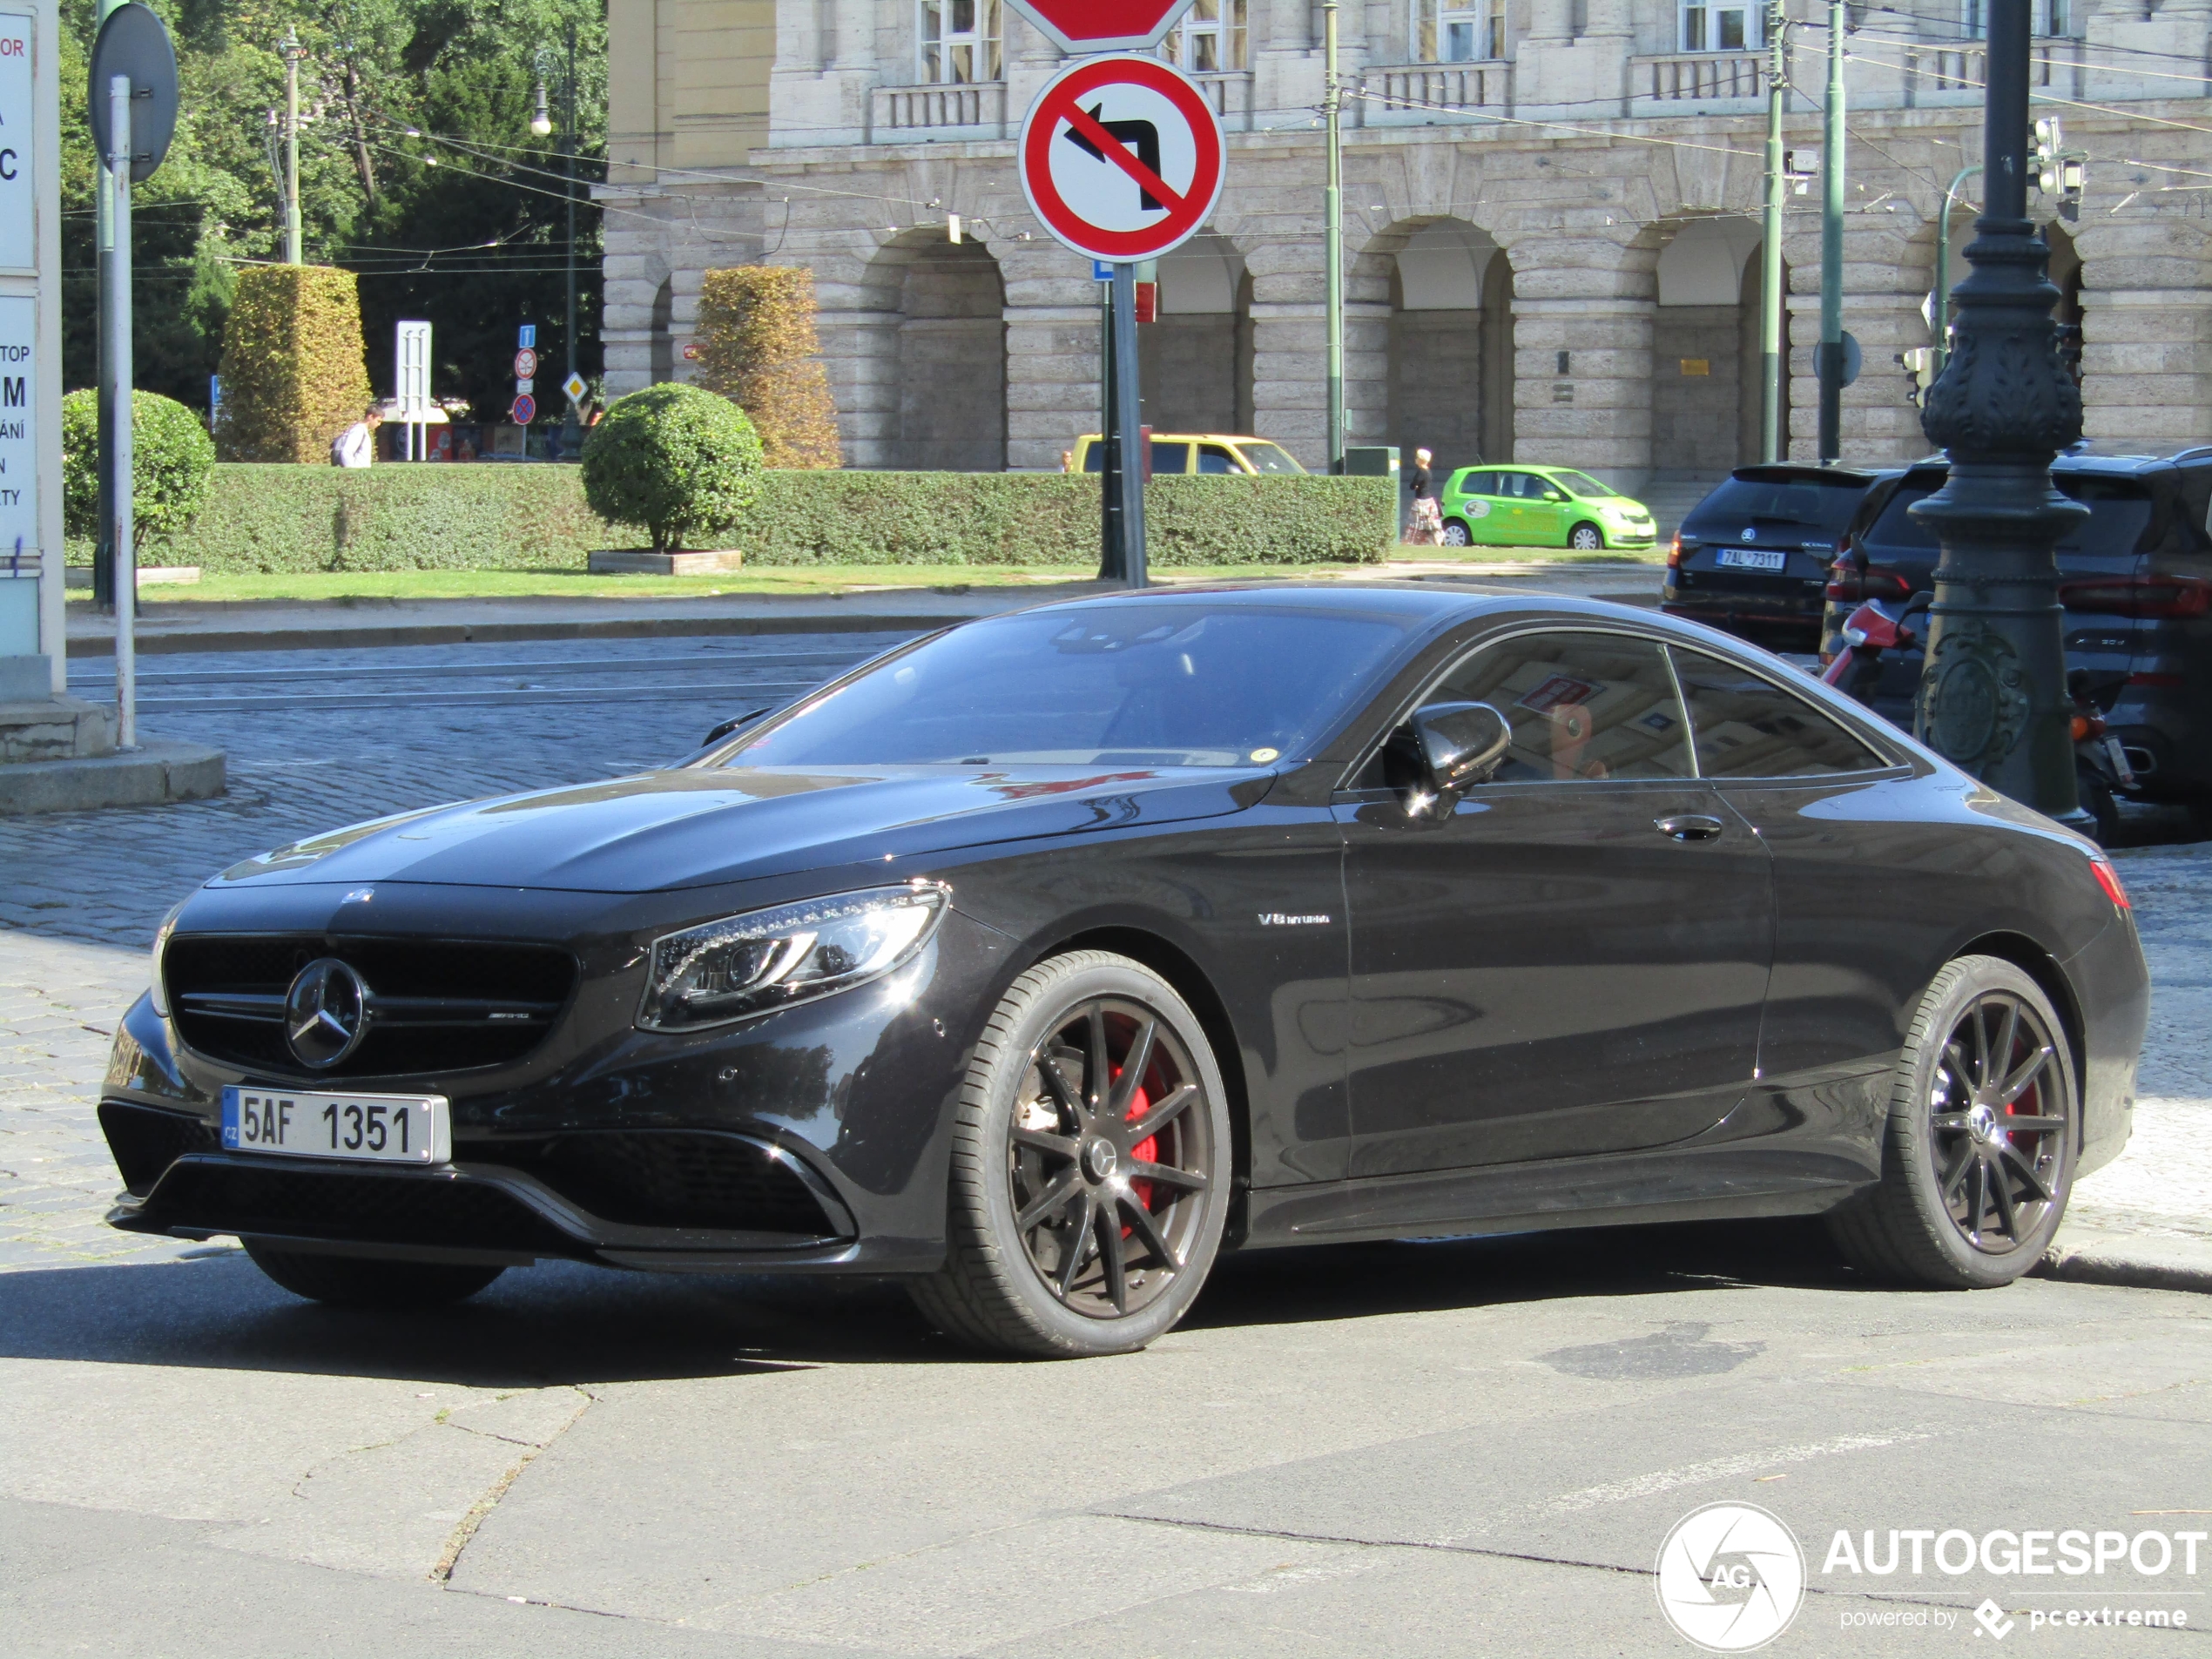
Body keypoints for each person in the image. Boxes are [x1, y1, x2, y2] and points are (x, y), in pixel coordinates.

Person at [1406, 447, 1442, 545]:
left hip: (1421, 502)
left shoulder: (1420, 472)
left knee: (1416, 523)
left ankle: (1412, 542)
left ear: (1421, 460)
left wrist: (1415, 486)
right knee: (1430, 523)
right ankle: (1436, 541)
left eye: (1417, 457)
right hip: (1429, 501)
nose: (1415, 459)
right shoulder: (1428, 471)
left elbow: (1413, 485)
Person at [332, 403, 385, 468]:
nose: (379, 424)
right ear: (370, 417)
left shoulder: (363, 431)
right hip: (356, 471)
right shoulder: (358, 430)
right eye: (378, 421)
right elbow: (347, 451)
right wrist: (351, 471)